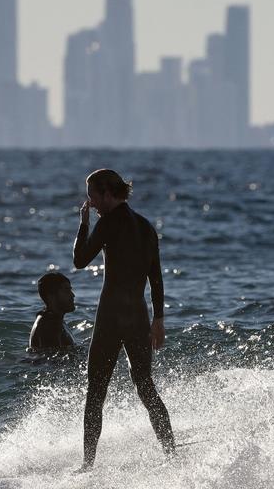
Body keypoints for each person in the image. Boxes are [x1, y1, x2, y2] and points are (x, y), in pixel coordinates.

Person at [73, 168, 175, 468]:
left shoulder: (107, 223)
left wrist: (83, 225)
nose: (90, 202)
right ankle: (172, 457)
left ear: (107, 193)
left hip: (111, 316)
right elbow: (156, 278)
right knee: (145, 386)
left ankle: (88, 465)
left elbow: (79, 260)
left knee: (96, 391)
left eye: (92, 196)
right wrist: (159, 319)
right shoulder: (145, 226)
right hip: (139, 316)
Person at [28, 271, 77, 353]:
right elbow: (54, 362)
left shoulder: (54, 319)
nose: (72, 295)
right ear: (51, 297)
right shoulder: (48, 325)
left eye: (70, 290)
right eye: (66, 290)